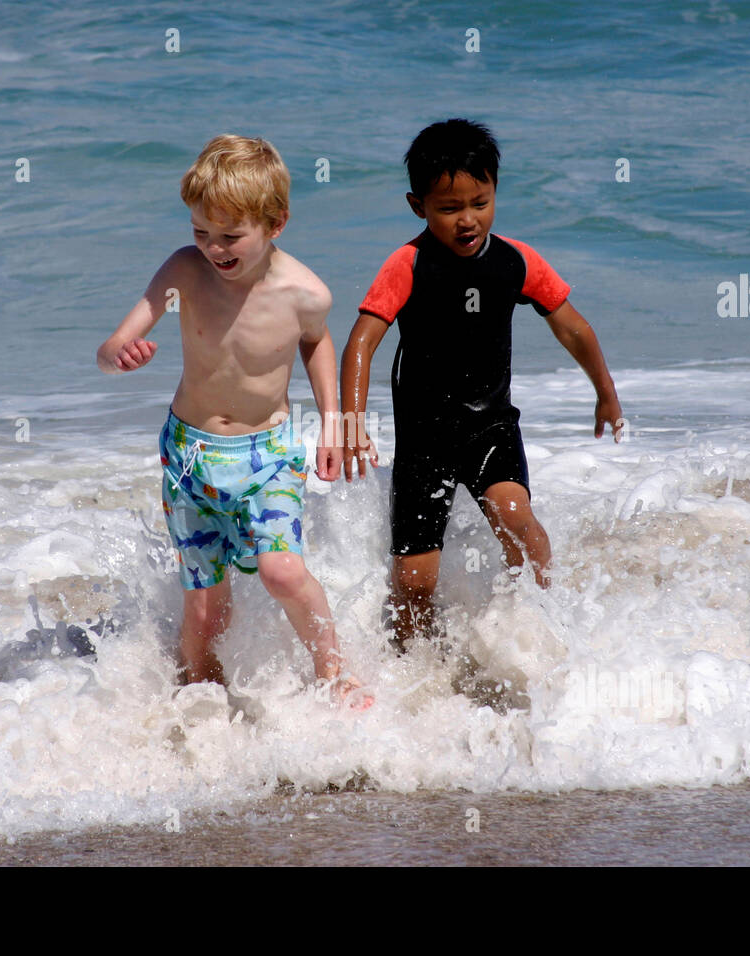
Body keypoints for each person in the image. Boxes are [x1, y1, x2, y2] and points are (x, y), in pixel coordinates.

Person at [98, 134, 369, 707]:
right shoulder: (184, 272)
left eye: (229, 236)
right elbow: (114, 345)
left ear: (276, 223)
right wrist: (120, 355)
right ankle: (198, 699)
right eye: (200, 232)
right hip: (190, 457)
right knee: (204, 606)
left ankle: (335, 673)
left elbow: (316, 344)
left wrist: (333, 423)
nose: (212, 248)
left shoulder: (305, 293)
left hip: (267, 455)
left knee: (282, 573)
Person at [340, 118, 623, 651]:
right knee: (414, 584)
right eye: (449, 209)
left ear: (495, 192)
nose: (467, 220)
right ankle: (414, 674)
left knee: (518, 520)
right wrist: (351, 421)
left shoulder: (514, 260)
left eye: (480, 202)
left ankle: (543, 630)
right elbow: (361, 342)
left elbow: (572, 325)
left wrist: (604, 392)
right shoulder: (408, 264)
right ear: (417, 205)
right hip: (425, 440)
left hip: (490, 427)